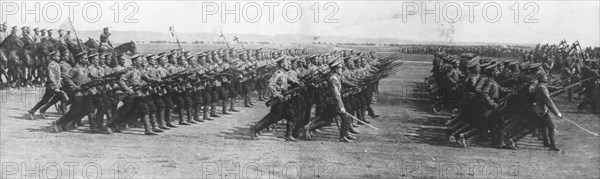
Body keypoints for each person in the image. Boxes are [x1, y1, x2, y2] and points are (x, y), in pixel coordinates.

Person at [27, 51, 64, 119]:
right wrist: (56, 87)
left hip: (56, 85)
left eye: (59, 56)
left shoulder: (56, 64)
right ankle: (32, 111)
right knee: (45, 100)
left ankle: (42, 110)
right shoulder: (52, 65)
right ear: (53, 57)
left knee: (57, 98)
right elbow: (51, 77)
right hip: (52, 86)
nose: (59, 57)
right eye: (58, 56)